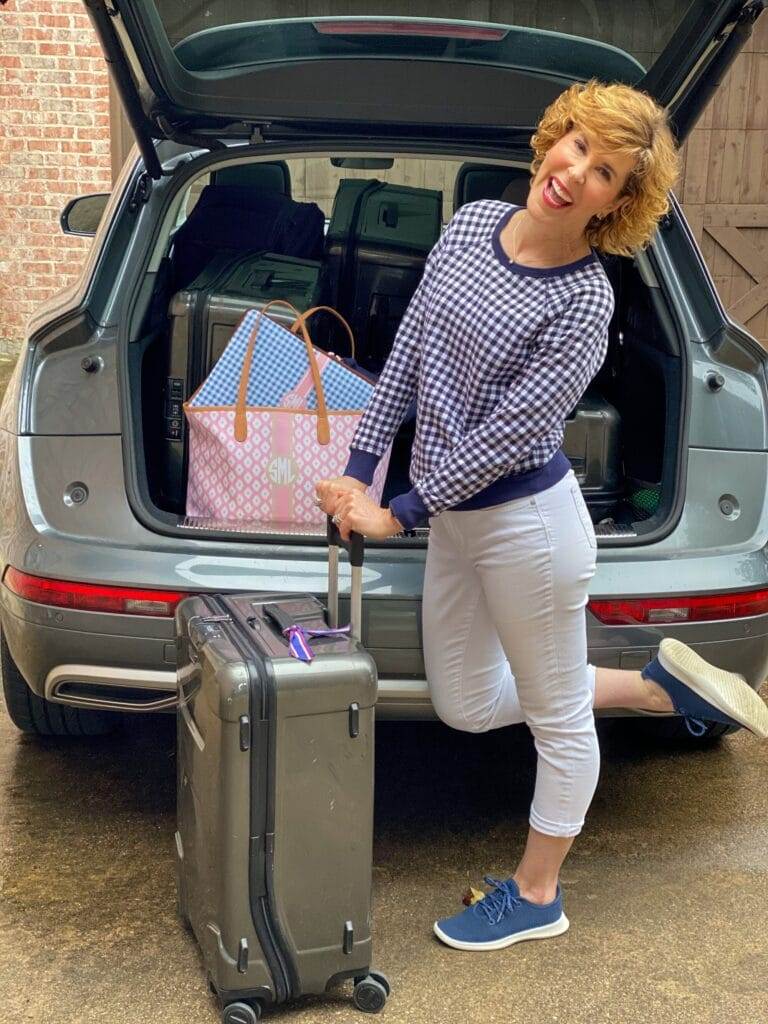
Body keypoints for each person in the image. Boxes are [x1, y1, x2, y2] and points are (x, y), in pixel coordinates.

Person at [315, 80, 768, 952]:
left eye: (603, 172)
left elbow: (510, 436)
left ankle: (537, 894)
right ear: (553, 137)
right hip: (458, 523)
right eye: (575, 146)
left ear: (619, 203)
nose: (574, 173)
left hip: (527, 528)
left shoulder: (586, 301)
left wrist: (394, 512)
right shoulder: (472, 224)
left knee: (558, 721)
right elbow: (409, 352)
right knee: (467, 701)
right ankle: (655, 689)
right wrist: (356, 469)